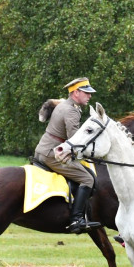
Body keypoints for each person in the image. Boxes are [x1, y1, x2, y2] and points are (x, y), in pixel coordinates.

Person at [35, 77, 102, 234]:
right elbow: (75, 140)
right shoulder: (72, 111)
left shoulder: (63, 105)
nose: (90, 96)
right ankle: (76, 219)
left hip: (43, 150)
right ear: (76, 92)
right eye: (86, 92)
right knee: (88, 179)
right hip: (52, 154)